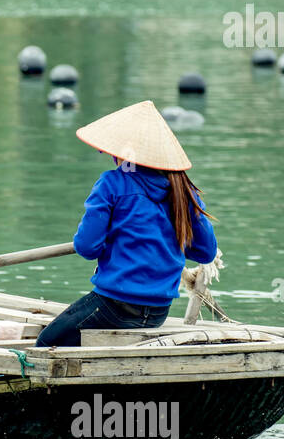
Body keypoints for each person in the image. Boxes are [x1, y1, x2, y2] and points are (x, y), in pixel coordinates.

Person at [36, 100, 218, 348]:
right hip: (157, 312)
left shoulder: (112, 184)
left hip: (114, 306)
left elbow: (87, 248)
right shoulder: (185, 192)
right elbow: (204, 251)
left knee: (46, 344)